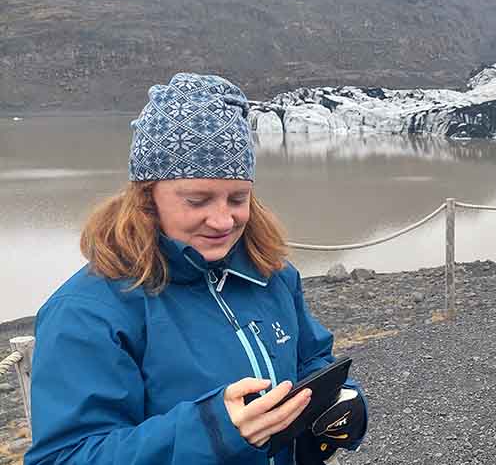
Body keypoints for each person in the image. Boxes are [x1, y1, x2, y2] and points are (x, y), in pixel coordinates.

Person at [25, 73, 367, 465]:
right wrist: (212, 431)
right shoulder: (88, 311)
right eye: (197, 200)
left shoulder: (270, 274)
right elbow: (65, 456)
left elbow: (312, 360)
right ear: (146, 196)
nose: (223, 221)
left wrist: (343, 401)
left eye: (238, 198)